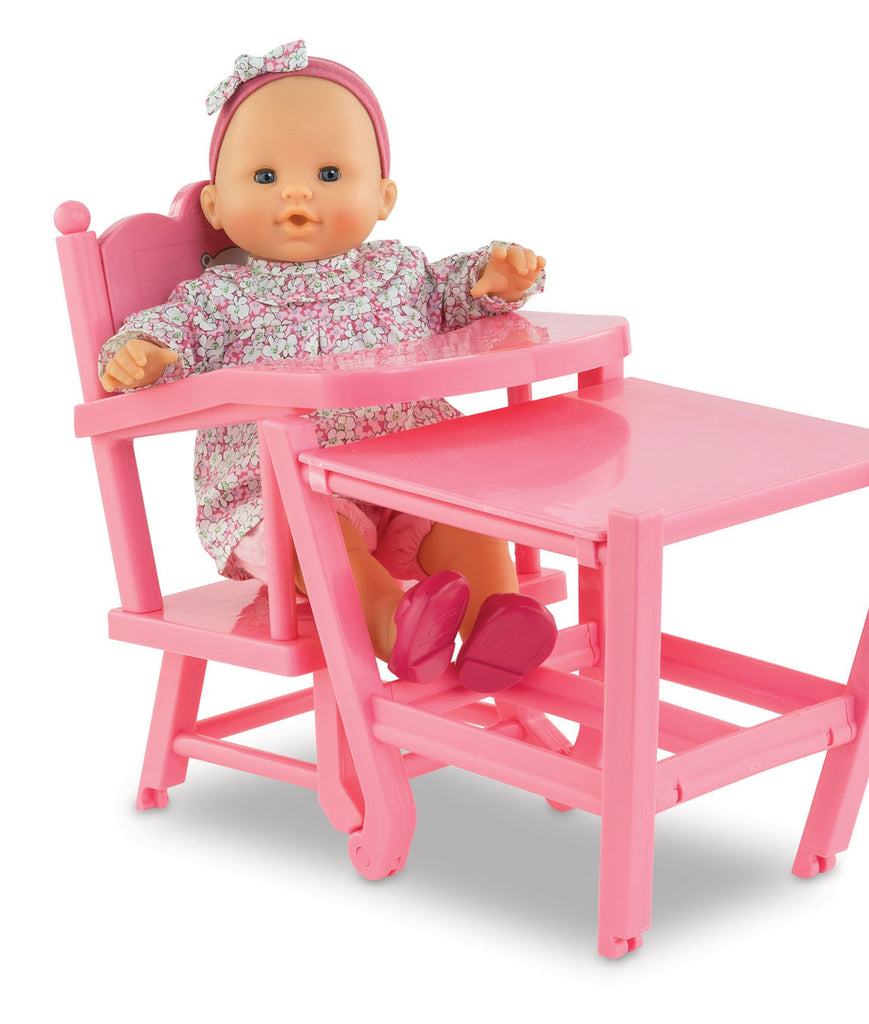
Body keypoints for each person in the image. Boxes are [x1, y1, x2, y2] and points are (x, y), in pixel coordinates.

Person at [99, 41, 556, 692]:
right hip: (285, 491)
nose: (297, 192)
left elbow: (448, 294)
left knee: (467, 520)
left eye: (331, 174)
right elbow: (174, 331)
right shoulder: (219, 297)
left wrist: (491, 280)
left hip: (408, 474)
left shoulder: (398, 270)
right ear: (215, 207)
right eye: (264, 177)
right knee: (320, 539)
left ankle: (499, 619)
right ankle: (396, 626)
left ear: (384, 196)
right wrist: (143, 353)